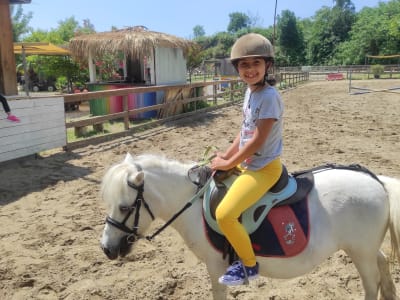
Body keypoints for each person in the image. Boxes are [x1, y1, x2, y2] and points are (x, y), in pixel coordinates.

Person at [211, 33, 284, 286]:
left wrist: (229, 164)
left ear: (267, 66)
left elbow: (257, 141)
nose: (250, 69)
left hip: (263, 169)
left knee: (224, 215)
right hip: (247, 163)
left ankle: (249, 266)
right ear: (237, 69)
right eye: (244, 64)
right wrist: (227, 155)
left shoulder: (269, 97)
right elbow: (244, 133)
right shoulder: (250, 92)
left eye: (256, 63)